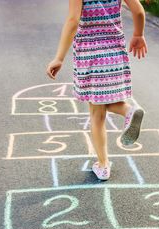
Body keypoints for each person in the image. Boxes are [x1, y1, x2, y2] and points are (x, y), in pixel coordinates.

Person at [47, 0, 148, 180]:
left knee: (96, 113)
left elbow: (73, 20)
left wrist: (59, 57)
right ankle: (128, 110)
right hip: (115, 52)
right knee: (106, 101)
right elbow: (139, 11)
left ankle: (103, 165)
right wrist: (138, 35)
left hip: (90, 55)